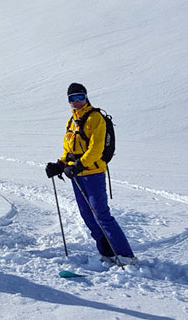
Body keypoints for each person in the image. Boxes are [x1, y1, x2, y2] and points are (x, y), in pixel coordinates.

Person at [45, 83, 137, 265]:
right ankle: (108, 253)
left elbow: (96, 149)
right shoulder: (71, 121)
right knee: (86, 215)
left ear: (86, 97)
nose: (77, 101)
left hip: (93, 173)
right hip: (76, 174)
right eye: (73, 98)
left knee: (101, 214)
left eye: (80, 97)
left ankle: (125, 255)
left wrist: (79, 165)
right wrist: (60, 164)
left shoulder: (96, 118)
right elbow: (69, 149)